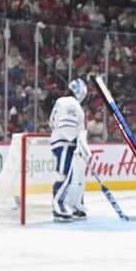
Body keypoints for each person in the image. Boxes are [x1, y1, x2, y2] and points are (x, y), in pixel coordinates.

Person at [48, 78, 90, 222]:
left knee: (73, 176)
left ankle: (74, 205)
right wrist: (77, 141)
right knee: (65, 175)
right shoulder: (70, 103)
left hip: (64, 142)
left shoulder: (63, 102)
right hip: (65, 143)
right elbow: (68, 128)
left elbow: (51, 121)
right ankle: (58, 206)